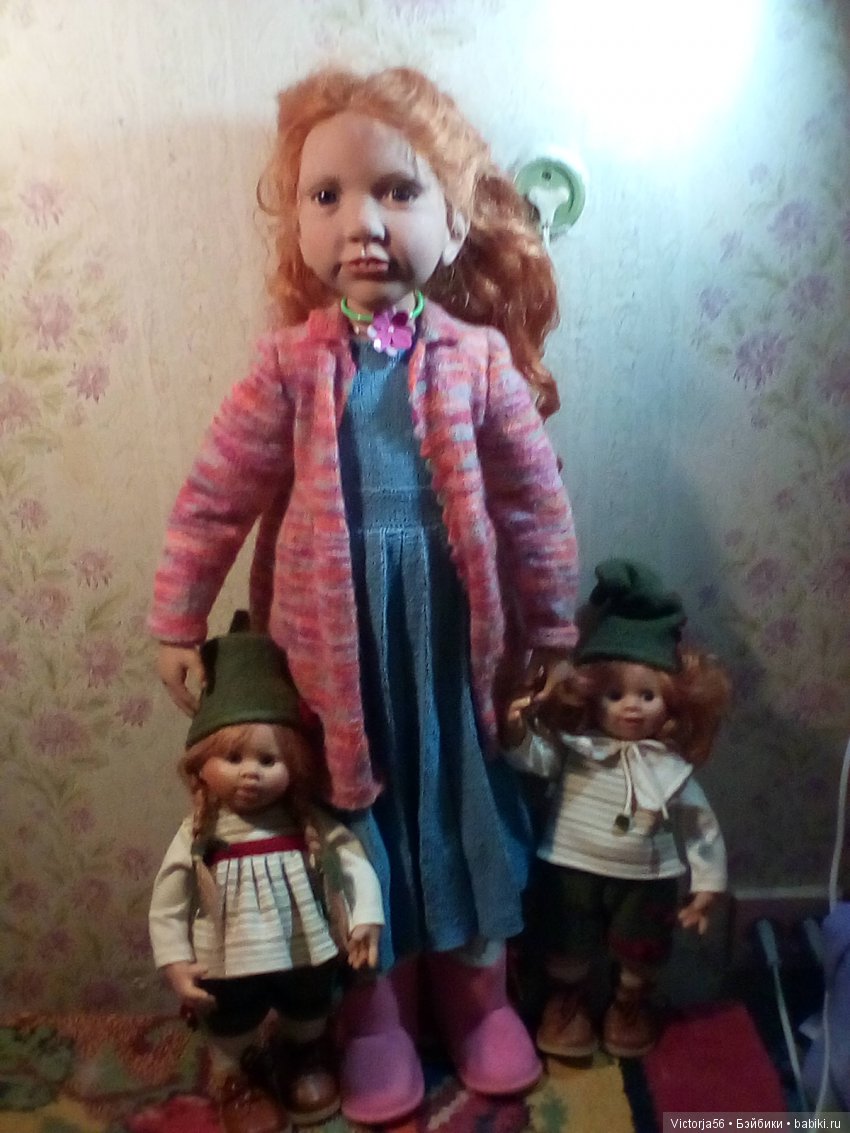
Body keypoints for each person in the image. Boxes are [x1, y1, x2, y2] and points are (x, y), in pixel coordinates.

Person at [149, 66, 579, 1123]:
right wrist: (178, 615)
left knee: (463, 814)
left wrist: (550, 622)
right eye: (328, 194)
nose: (364, 223)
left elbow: (533, 504)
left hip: (450, 657)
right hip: (334, 666)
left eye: (398, 190)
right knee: (350, 824)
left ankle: (478, 999)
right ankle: (373, 1016)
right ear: (297, 224)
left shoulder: (479, 362)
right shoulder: (287, 368)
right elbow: (215, 496)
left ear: (455, 216)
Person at [149, 619, 383, 1133]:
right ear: (201, 763)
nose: (250, 772)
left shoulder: (306, 822)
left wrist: (366, 917)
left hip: (303, 945)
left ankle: (304, 1055)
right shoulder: (200, 833)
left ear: (294, 764)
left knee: (309, 1001)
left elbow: (352, 861)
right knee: (231, 1015)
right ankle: (233, 1074)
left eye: (268, 759)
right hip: (226, 955)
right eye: (233, 757)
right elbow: (168, 902)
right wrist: (175, 960)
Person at [505, 558, 730, 1059]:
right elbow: (537, 762)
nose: (631, 706)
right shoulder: (578, 749)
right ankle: (567, 1005)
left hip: (647, 875)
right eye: (614, 694)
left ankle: (628, 1006)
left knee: (642, 946)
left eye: (647, 695)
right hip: (570, 865)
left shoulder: (669, 767)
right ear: (590, 697)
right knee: (566, 939)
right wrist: (517, 732)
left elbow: (700, 826)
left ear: (672, 701)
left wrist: (707, 885)